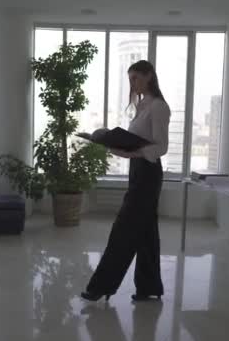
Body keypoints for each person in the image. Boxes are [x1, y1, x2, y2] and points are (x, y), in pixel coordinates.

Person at [81, 60, 171, 302]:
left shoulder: (159, 106)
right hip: (138, 169)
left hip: (149, 172)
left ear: (149, 76)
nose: (132, 83)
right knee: (145, 232)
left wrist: (134, 152)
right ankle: (149, 287)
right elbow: (137, 140)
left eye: (136, 78)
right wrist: (116, 145)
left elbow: (161, 147)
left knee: (124, 228)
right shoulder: (143, 105)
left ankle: (100, 286)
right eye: (130, 79)